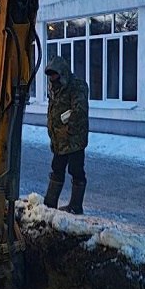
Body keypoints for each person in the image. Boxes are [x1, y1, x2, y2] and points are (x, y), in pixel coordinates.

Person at [42, 55, 89, 214]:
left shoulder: (77, 86)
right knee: (57, 168)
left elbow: (79, 112)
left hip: (74, 140)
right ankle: (49, 204)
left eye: (54, 74)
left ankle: (76, 206)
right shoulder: (55, 87)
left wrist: (68, 131)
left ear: (62, 72)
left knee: (76, 170)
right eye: (50, 75)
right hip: (59, 141)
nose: (51, 78)